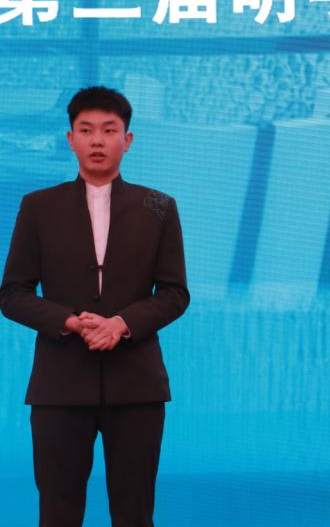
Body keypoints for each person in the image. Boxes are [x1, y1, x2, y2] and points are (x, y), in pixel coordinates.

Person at [0, 86, 189, 527]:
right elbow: (12, 293)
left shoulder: (159, 206)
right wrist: (69, 321)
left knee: (134, 512)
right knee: (58, 512)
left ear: (128, 139)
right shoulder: (38, 206)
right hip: (60, 385)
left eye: (109, 130)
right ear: (70, 139)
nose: (98, 140)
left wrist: (121, 323)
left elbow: (175, 293)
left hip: (137, 386)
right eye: (86, 130)